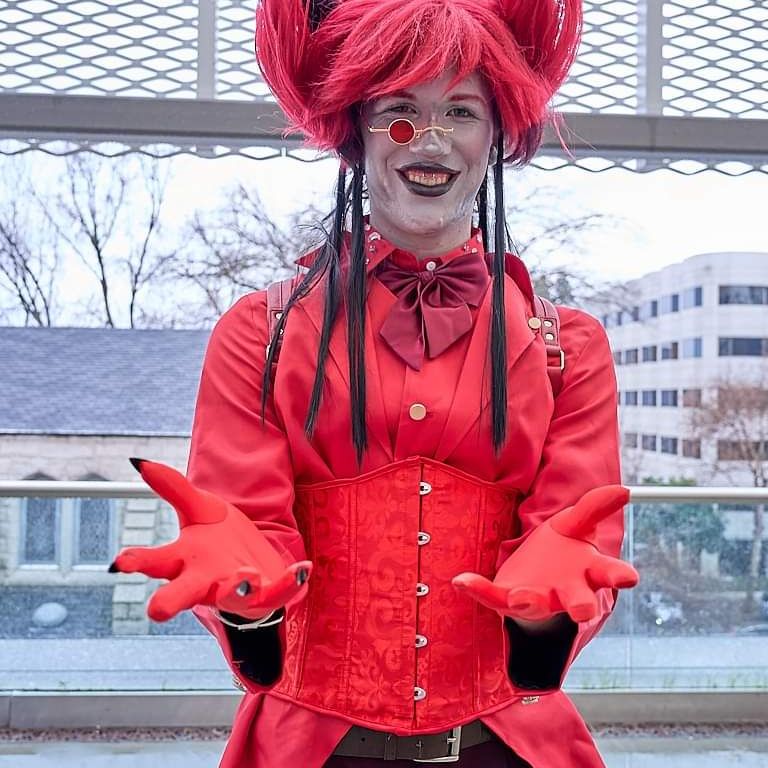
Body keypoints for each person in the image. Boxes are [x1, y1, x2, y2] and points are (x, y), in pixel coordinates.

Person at [110, 0, 640, 765]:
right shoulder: (262, 335)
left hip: (510, 746)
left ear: (495, 135)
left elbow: (577, 540)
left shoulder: (569, 349)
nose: (430, 137)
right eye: (399, 111)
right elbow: (246, 536)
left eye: (461, 111)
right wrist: (248, 601)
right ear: (355, 131)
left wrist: (549, 611)